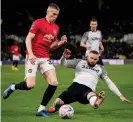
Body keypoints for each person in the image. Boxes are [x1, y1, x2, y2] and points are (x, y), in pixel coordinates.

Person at [3, 3, 67, 117]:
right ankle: (13, 87)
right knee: (30, 85)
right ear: (48, 12)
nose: (55, 16)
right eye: (54, 14)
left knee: (54, 82)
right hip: (33, 56)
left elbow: (51, 46)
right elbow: (28, 38)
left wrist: (60, 43)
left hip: (45, 57)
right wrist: (31, 54)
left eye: (57, 15)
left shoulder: (56, 28)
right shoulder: (38, 22)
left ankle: (41, 110)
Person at [48, 49, 131, 113]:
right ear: (87, 56)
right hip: (75, 87)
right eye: (91, 58)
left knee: (91, 95)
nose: (93, 60)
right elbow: (63, 64)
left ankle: (96, 102)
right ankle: (57, 108)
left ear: (98, 59)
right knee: (58, 103)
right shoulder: (79, 62)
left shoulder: (100, 69)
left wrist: (120, 95)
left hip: (88, 90)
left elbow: (109, 83)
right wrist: (63, 57)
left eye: (95, 59)